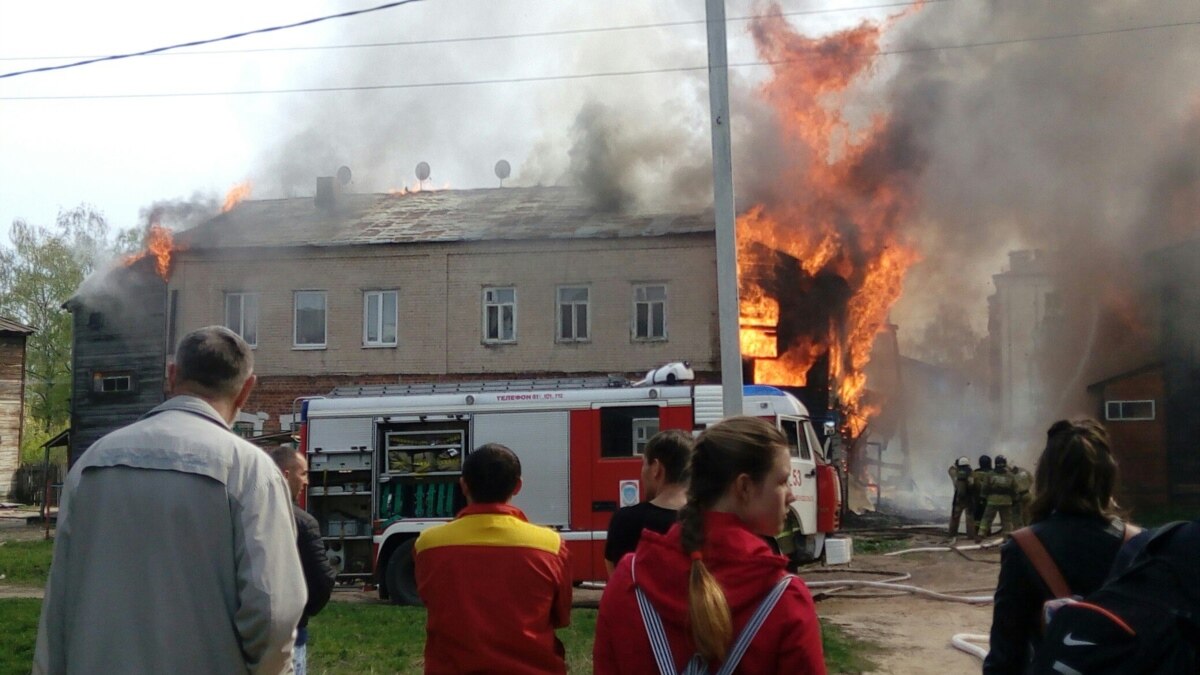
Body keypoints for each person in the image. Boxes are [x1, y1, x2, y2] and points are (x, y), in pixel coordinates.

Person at [34, 326, 305, 674]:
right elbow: (272, 612)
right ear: (246, 389)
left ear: (171, 375)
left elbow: (58, 609)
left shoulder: (91, 464)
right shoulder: (251, 472)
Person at [593, 416, 825, 675]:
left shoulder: (629, 579)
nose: (791, 494)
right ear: (744, 487)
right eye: (782, 481)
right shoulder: (784, 598)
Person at [984, 419, 1135, 674]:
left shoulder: (1023, 548)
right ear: (1109, 476)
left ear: (1047, 478)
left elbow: (1006, 654)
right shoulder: (1142, 546)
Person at [415, 443, 571, 674]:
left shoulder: (428, 545)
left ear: (463, 485)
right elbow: (560, 617)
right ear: (517, 486)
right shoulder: (551, 546)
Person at [269, 445, 337, 675]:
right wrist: (304, 611)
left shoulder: (243, 514)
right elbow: (322, 580)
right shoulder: (303, 523)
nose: (306, 481)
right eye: (303, 473)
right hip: (292, 630)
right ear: (286, 475)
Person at [605, 429, 694, 573]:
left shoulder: (624, 521)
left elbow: (616, 578)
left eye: (644, 464)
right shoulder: (707, 520)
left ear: (656, 469)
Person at [977, 454, 1016, 541]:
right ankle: (1008, 537)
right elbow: (1015, 489)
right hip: (1006, 501)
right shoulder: (1010, 476)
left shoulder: (990, 474)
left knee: (987, 518)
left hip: (992, 500)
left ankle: (981, 534)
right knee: (1007, 521)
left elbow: (985, 487)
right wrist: (1015, 499)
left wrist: (982, 498)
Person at [948, 456, 975, 538]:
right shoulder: (971, 473)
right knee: (969, 517)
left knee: (955, 517)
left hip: (958, 498)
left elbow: (950, 469)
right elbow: (972, 484)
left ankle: (952, 534)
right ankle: (971, 535)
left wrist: (956, 465)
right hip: (968, 498)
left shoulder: (956, 473)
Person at [1009, 463, 1034, 528]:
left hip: (1018, 497)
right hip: (1027, 494)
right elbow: (1032, 480)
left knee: (1016, 515)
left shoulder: (1011, 475)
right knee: (1027, 514)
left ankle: (1018, 530)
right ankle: (1028, 528)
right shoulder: (1024, 471)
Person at [971, 454, 993, 525]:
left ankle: (976, 531)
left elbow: (970, 485)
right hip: (990, 498)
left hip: (976, 499)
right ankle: (987, 532)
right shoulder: (993, 473)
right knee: (987, 517)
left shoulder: (975, 473)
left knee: (977, 516)